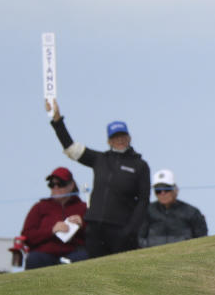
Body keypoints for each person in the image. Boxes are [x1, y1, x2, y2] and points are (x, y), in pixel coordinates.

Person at [46, 99, 150, 258]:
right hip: (95, 228)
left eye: (123, 136)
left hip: (121, 230)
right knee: (96, 275)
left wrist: (131, 230)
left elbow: (143, 201)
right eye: (115, 137)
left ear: (129, 137)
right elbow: (71, 149)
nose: (120, 140)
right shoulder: (100, 159)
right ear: (109, 141)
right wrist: (57, 121)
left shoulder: (140, 165)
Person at [19, 167, 88, 269]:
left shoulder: (83, 208)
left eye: (61, 184)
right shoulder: (39, 207)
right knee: (34, 259)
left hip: (73, 253)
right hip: (44, 255)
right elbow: (27, 235)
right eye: (52, 184)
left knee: (84, 257)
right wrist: (51, 230)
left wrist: (83, 225)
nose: (56, 187)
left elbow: (96, 236)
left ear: (71, 185)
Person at [138, 169, 208, 247]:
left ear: (175, 190)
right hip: (152, 256)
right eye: (158, 190)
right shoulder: (147, 211)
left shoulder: (192, 212)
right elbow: (139, 238)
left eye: (166, 189)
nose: (162, 193)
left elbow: (202, 239)